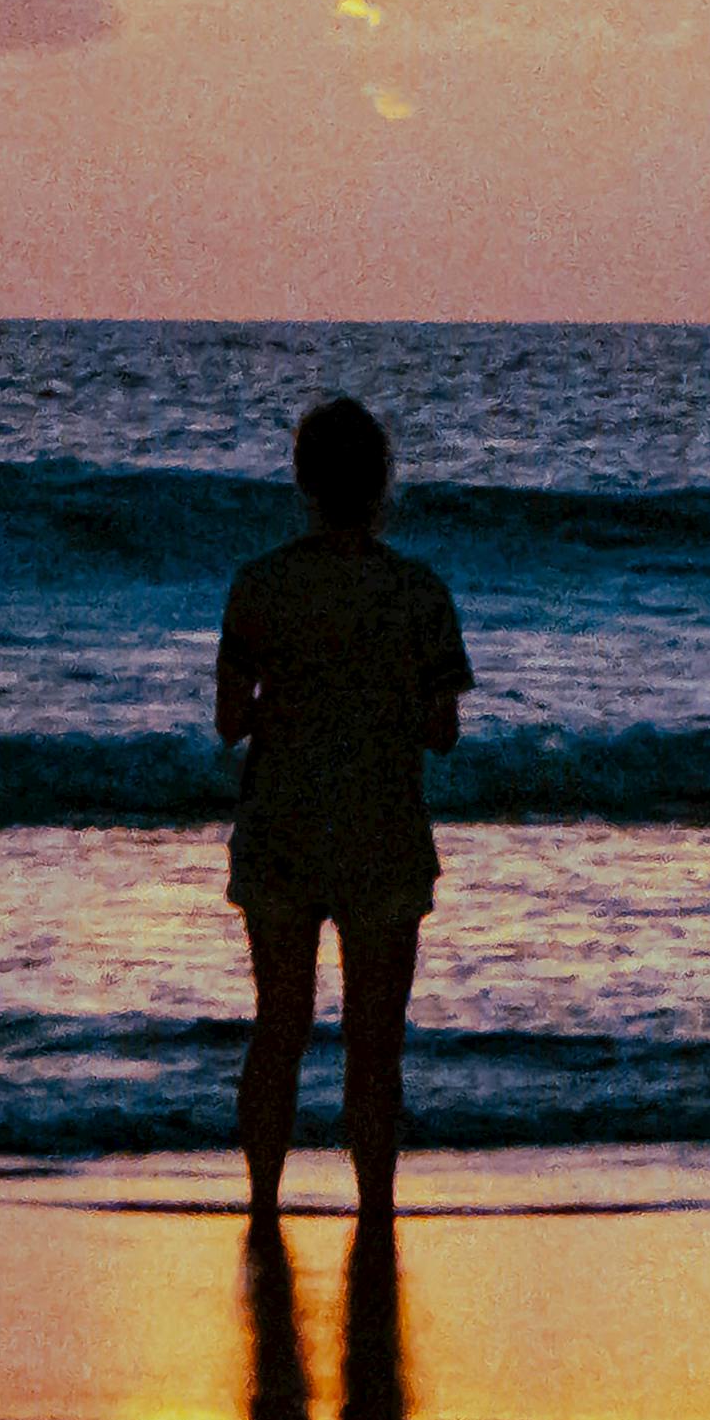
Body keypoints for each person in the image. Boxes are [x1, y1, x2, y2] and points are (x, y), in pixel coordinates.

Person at [214, 392, 469, 1223]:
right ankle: (376, 1208)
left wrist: (288, 706)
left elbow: (227, 722)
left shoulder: (259, 584)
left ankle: (260, 1201)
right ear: (382, 481)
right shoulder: (419, 592)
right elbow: (443, 732)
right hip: (381, 827)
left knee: (278, 1027)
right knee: (375, 1043)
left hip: (282, 823)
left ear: (303, 479)